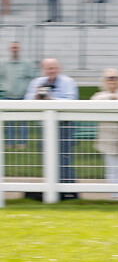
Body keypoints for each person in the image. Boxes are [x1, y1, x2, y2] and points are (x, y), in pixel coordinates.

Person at [24, 58, 79, 201]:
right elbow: (26, 101)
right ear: (43, 70)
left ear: (59, 68)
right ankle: (52, 190)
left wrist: (51, 99)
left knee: (63, 158)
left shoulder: (68, 82)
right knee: (47, 158)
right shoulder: (37, 83)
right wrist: (37, 97)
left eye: (54, 68)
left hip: (64, 126)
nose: (52, 71)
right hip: (45, 127)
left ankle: (70, 190)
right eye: (49, 68)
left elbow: (72, 100)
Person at [91, 69, 118, 201]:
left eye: (115, 78)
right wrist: (112, 97)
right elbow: (94, 102)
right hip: (107, 137)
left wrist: (114, 98)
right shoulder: (99, 95)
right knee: (111, 169)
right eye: (109, 78)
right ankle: (114, 197)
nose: (112, 81)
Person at [0, 42, 38, 150]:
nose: (14, 50)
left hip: (22, 96)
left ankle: (22, 143)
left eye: (16, 48)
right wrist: (3, 86)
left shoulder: (26, 64)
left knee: (23, 121)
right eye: (13, 48)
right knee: (8, 121)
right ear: (10, 49)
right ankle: (10, 142)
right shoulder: (3, 64)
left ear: (19, 49)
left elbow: (33, 78)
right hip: (8, 96)